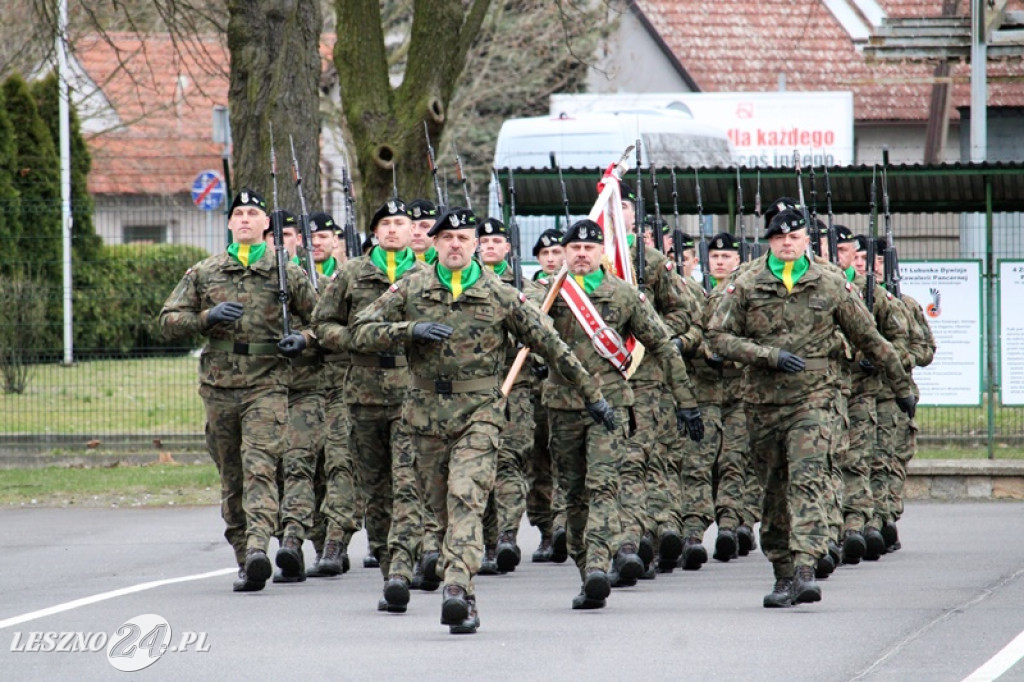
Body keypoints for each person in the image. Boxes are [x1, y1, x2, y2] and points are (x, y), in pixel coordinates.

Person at [346, 206, 614, 634]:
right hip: (425, 417)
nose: (455, 245)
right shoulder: (411, 287)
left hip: (480, 415)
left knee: (466, 497)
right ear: (433, 243)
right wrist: (408, 330)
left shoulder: (500, 292)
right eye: (447, 238)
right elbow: (359, 329)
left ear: (475, 245)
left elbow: (551, 343)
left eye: (464, 238)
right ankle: (463, 591)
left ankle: (456, 588)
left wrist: (594, 396)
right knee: (441, 512)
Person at [707, 207, 916, 608]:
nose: (788, 243)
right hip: (764, 402)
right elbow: (717, 336)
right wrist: (766, 355)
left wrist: (901, 383)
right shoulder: (747, 282)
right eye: (780, 237)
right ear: (768, 241)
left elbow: (868, 336)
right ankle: (782, 572)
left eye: (795, 236)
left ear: (807, 240)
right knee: (775, 488)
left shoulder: (830, 281)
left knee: (807, 476)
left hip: (816, 397)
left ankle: (805, 567)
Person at [159, 188, 317, 592]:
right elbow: (168, 320)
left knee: (260, 466)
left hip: (267, 381)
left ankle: (259, 548)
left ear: (267, 224)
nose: (245, 219)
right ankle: (244, 553)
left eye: (254, 213)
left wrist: (303, 340)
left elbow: (322, 321)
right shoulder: (205, 272)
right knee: (232, 475)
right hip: (219, 386)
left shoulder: (287, 273)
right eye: (239, 213)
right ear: (229, 223)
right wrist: (206, 316)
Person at [542, 218, 703, 609]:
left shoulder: (626, 295)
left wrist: (685, 401)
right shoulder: (549, 295)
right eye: (574, 248)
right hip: (562, 408)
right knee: (575, 493)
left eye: (589, 247)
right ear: (564, 253)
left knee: (603, 486)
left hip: (610, 409)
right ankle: (587, 569)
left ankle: (598, 565)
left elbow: (663, 346)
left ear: (602, 252)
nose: (581, 254)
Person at [312, 199, 428, 609]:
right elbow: (322, 325)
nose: (394, 230)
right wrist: (357, 340)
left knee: (408, 480)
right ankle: (386, 559)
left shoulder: (426, 275)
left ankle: (406, 561)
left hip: (412, 391)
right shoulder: (350, 273)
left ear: (414, 231)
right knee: (376, 488)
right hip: (362, 393)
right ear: (375, 232)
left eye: (402, 223)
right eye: (387, 224)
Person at [526, 228, 567, 563]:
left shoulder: (573, 290)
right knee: (539, 460)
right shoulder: (526, 290)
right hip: (535, 389)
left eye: (557, 253)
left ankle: (566, 522)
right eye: (546, 255)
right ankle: (545, 529)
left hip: (566, 387)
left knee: (563, 458)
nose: (552, 260)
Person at [408, 198, 439, 264]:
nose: (416, 232)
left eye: (424, 226)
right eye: (411, 226)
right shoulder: (392, 265)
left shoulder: (447, 265)